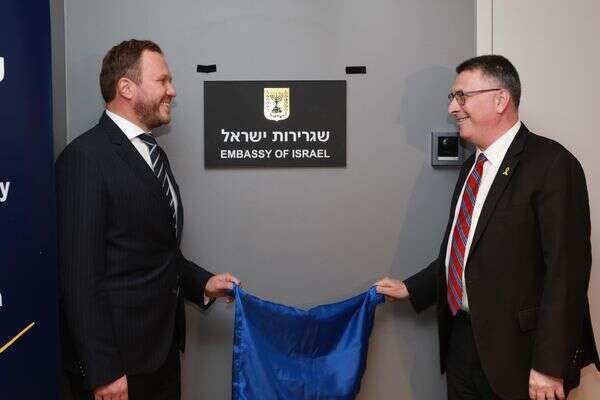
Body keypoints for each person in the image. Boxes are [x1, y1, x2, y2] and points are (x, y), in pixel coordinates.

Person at [376, 55, 599, 400]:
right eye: (452, 97)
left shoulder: (552, 164)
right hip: (462, 343)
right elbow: (464, 251)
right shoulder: (472, 168)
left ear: (500, 99)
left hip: (522, 355)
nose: (452, 108)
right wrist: (411, 288)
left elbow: (566, 273)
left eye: (461, 96)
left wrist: (549, 364)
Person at [56, 39, 241, 400]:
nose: (172, 91)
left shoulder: (152, 152)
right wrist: (104, 371)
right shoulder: (84, 159)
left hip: (162, 355)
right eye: (162, 81)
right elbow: (79, 277)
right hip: (118, 371)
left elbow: (157, 252)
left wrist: (203, 284)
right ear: (126, 87)